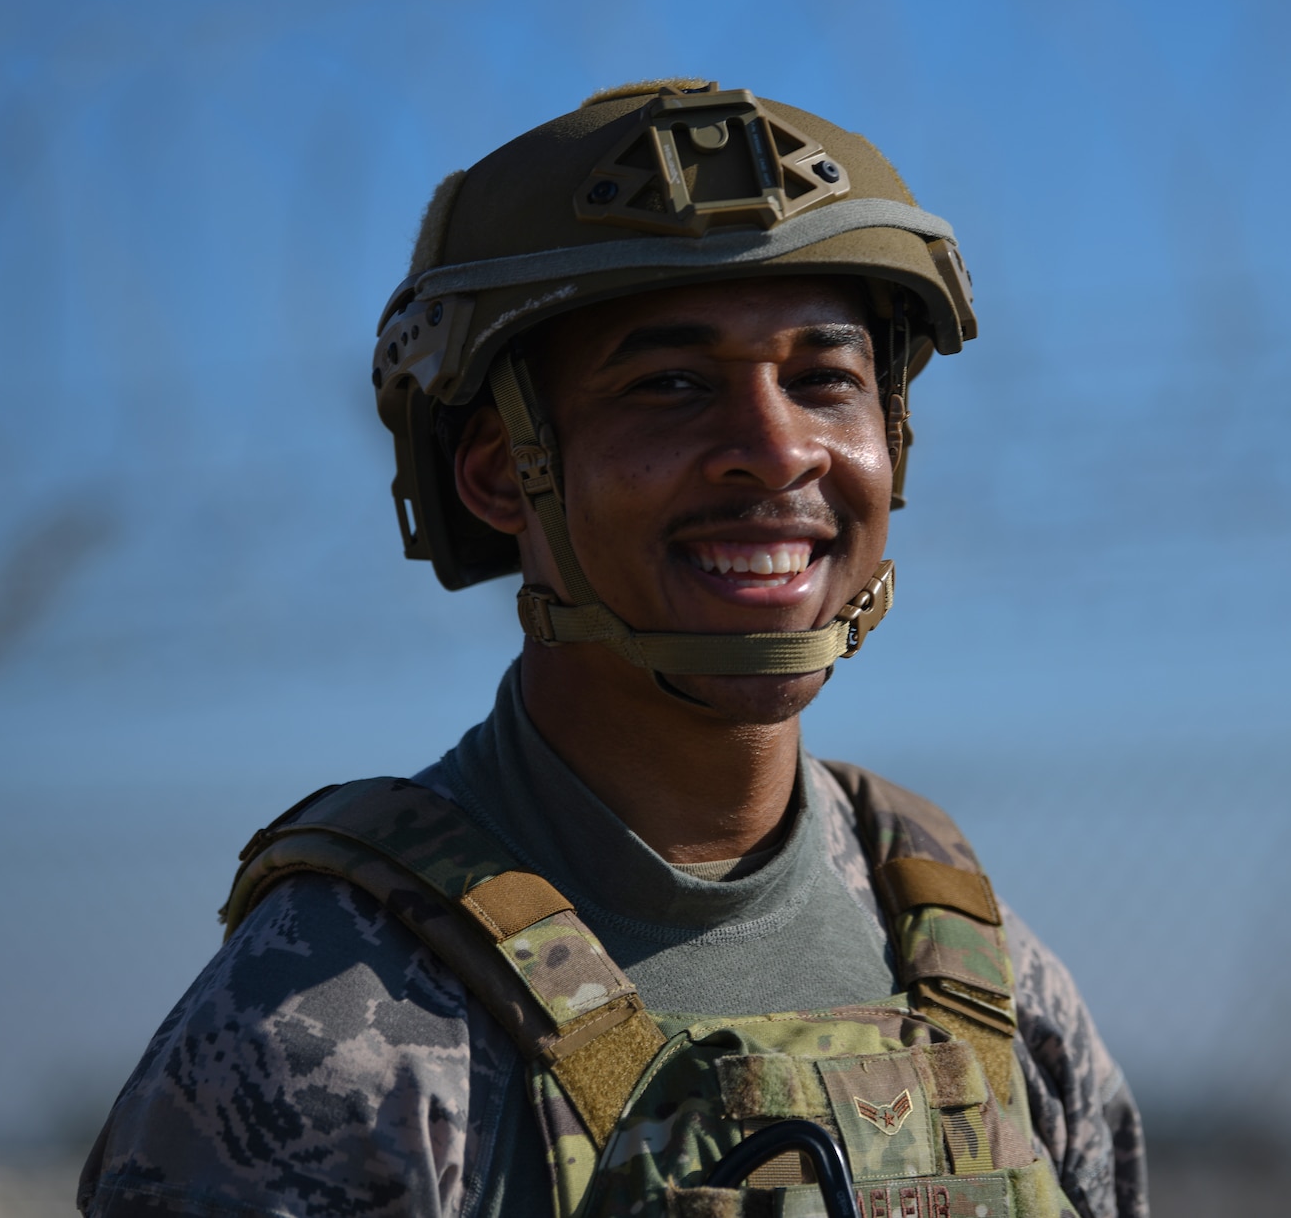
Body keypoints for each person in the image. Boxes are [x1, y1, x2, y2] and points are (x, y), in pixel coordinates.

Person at [78, 81, 1145, 1218]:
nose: (774, 451)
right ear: (498, 472)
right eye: (671, 385)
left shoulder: (969, 964)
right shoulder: (336, 1021)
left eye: (823, 380)